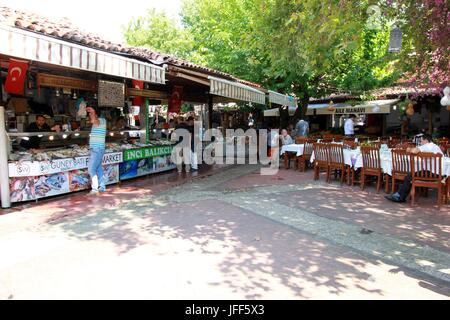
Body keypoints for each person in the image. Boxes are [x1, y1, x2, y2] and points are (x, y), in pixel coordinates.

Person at [385, 134, 443, 203]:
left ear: (426, 140)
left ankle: (399, 197)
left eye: (421, 141)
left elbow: (414, 151)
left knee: (409, 176)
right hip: (439, 174)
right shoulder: (435, 146)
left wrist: (408, 149)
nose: (420, 143)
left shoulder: (428, 145)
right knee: (412, 174)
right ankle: (399, 195)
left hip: (431, 173)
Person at [86, 106, 107, 194]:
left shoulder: (101, 120)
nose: (90, 115)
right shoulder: (97, 122)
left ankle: (94, 189)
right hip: (97, 148)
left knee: (91, 169)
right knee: (98, 168)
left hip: (97, 149)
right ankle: (102, 187)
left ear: (96, 114)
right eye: (89, 114)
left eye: (91, 114)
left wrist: (93, 112)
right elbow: (92, 121)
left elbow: (94, 120)